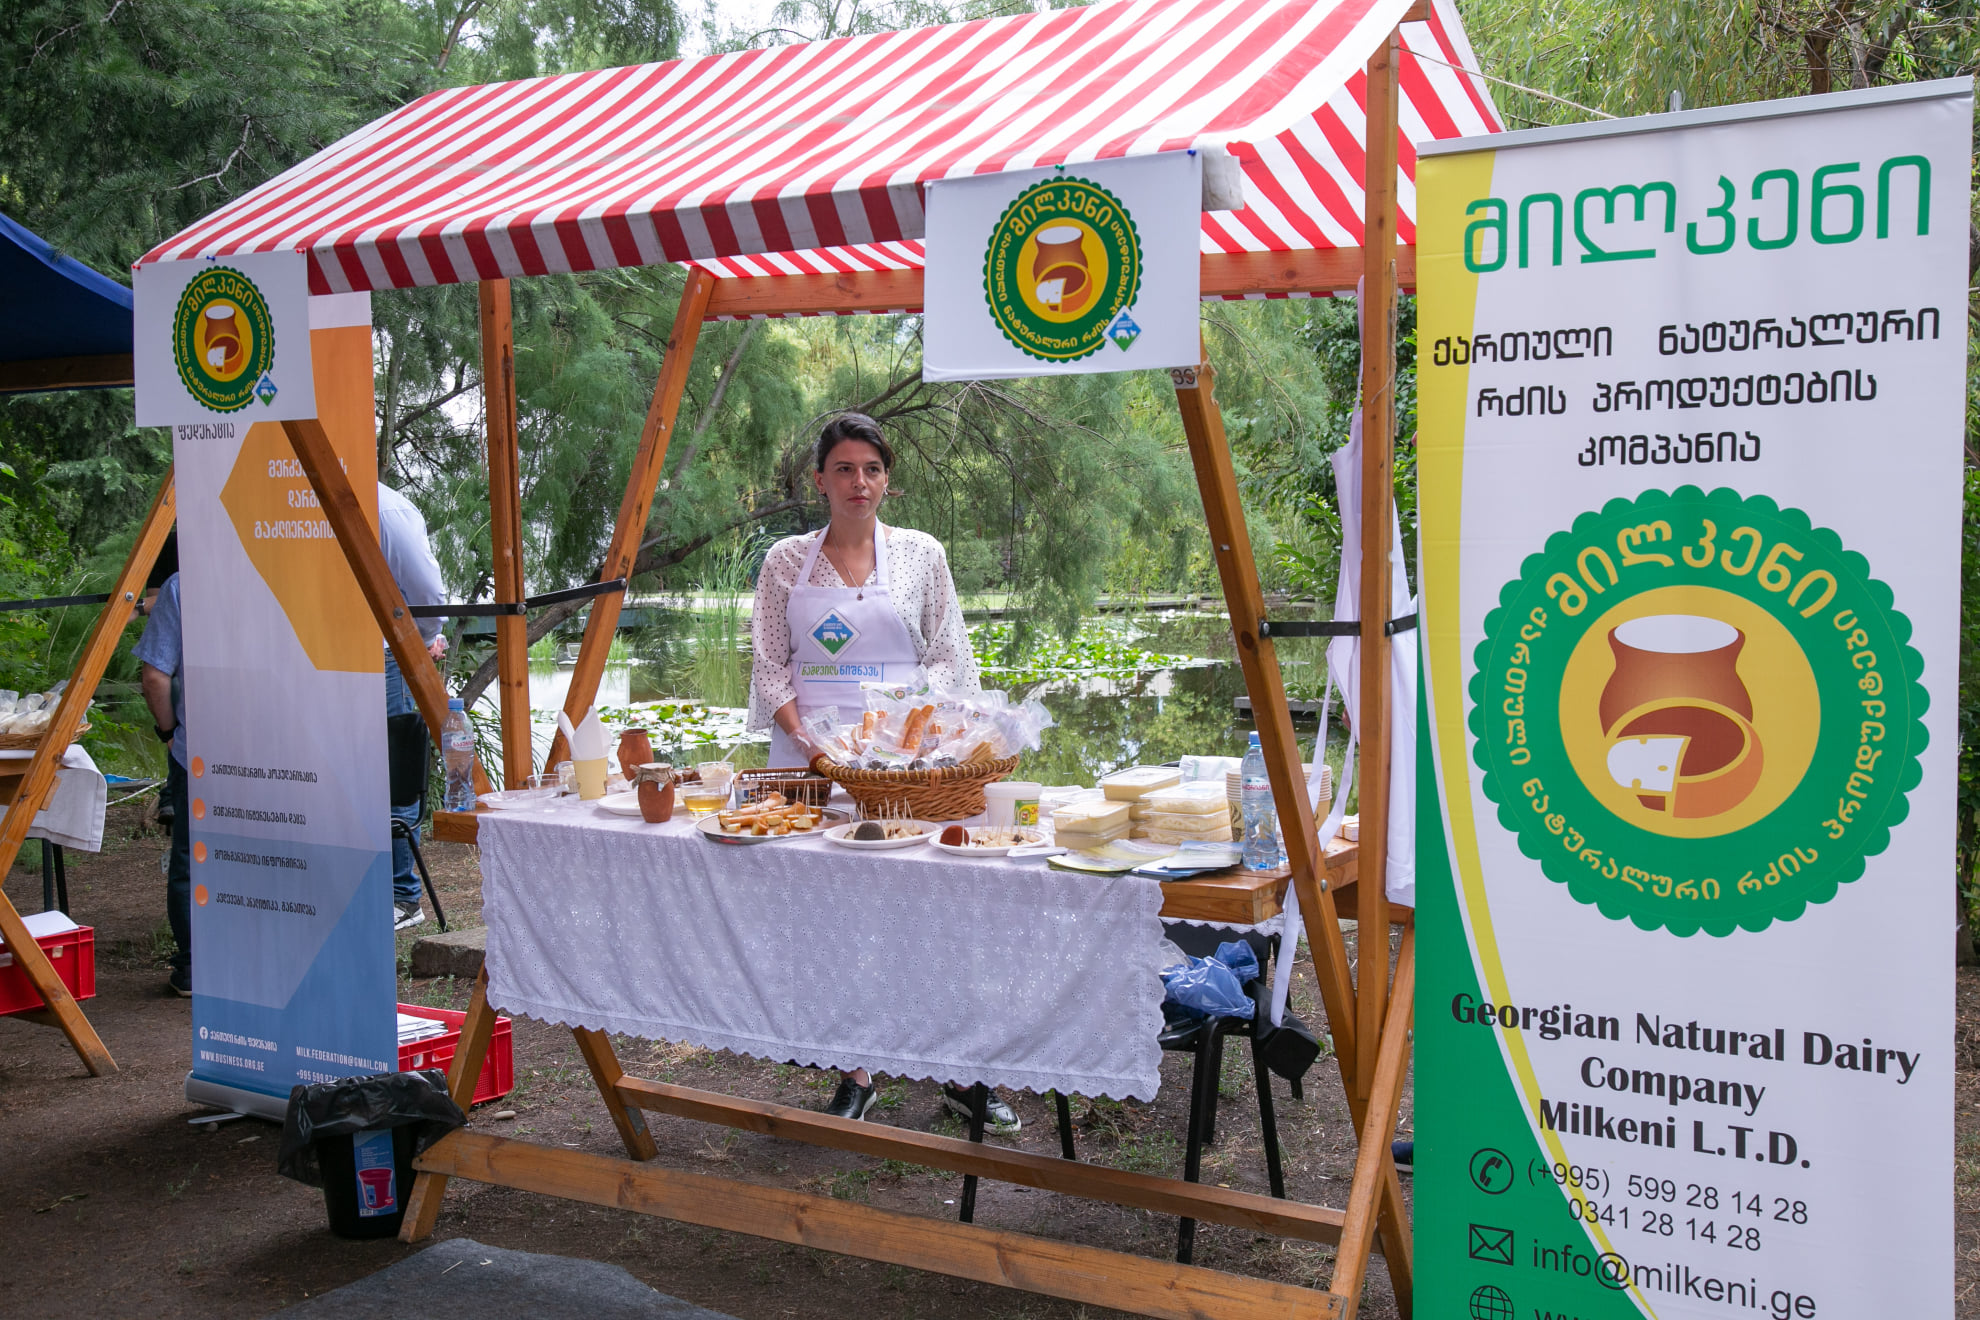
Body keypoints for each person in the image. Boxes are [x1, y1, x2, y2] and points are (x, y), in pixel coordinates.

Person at [747, 413, 1016, 1130]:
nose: (857, 482)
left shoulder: (923, 554)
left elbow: (949, 657)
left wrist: (906, 738)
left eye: (870, 469)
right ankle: (855, 1068)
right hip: (811, 764)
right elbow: (770, 667)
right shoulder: (785, 561)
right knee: (829, 915)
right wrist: (814, 747)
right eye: (843, 469)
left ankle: (960, 1071)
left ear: (887, 480)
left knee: (935, 908)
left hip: (906, 766)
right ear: (819, 481)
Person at [377, 481, 449, 930]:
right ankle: (372, 888)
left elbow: (426, 592)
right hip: (328, 659)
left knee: (397, 778)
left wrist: (418, 643)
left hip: (387, 656)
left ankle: (404, 897)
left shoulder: (387, 509)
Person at [135, 572, 190, 997]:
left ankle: (194, 967)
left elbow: (155, 676)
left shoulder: (182, 586)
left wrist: (168, 732)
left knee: (192, 858)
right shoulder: (300, 568)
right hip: (285, 754)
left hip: (202, 752)